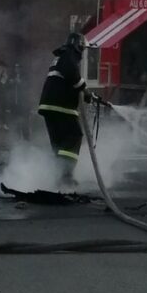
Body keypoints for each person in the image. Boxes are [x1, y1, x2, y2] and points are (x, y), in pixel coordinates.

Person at [38, 33, 95, 186]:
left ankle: (56, 177)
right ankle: (66, 176)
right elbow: (71, 73)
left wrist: (86, 93)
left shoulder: (61, 56)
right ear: (78, 46)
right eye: (82, 49)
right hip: (61, 106)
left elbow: (67, 77)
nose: (82, 53)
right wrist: (85, 89)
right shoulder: (69, 55)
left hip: (49, 106)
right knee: (74, 136)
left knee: (59, 143)